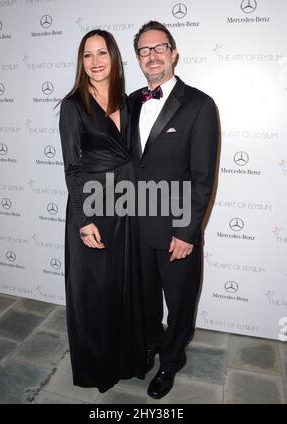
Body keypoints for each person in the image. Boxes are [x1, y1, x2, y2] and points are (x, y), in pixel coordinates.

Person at [129, 21, 219, 399]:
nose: (152, 55)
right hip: (135, 226)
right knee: (145, 298)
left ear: (174, 52)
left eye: (159, 47)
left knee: (179, 302)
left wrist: (186, 231)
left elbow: (202, 177)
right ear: (138, 58)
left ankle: (171, 360)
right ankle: (152, 343)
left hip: (174, 231)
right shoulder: (130, 101)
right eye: (144, 50)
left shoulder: (199, 104)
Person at [58, 29, 146, 393]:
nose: (95, 62)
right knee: (93, 293)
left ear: (114, 58)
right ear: (81, 62)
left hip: (126, 208)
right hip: (92, 209)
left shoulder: (128, 102)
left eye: (102, 54)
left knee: (121, 289)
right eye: (87, 55)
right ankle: (97, 367)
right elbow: (72, 168)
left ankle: (125, 360)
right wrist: (83, 220)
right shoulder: (73, 105)